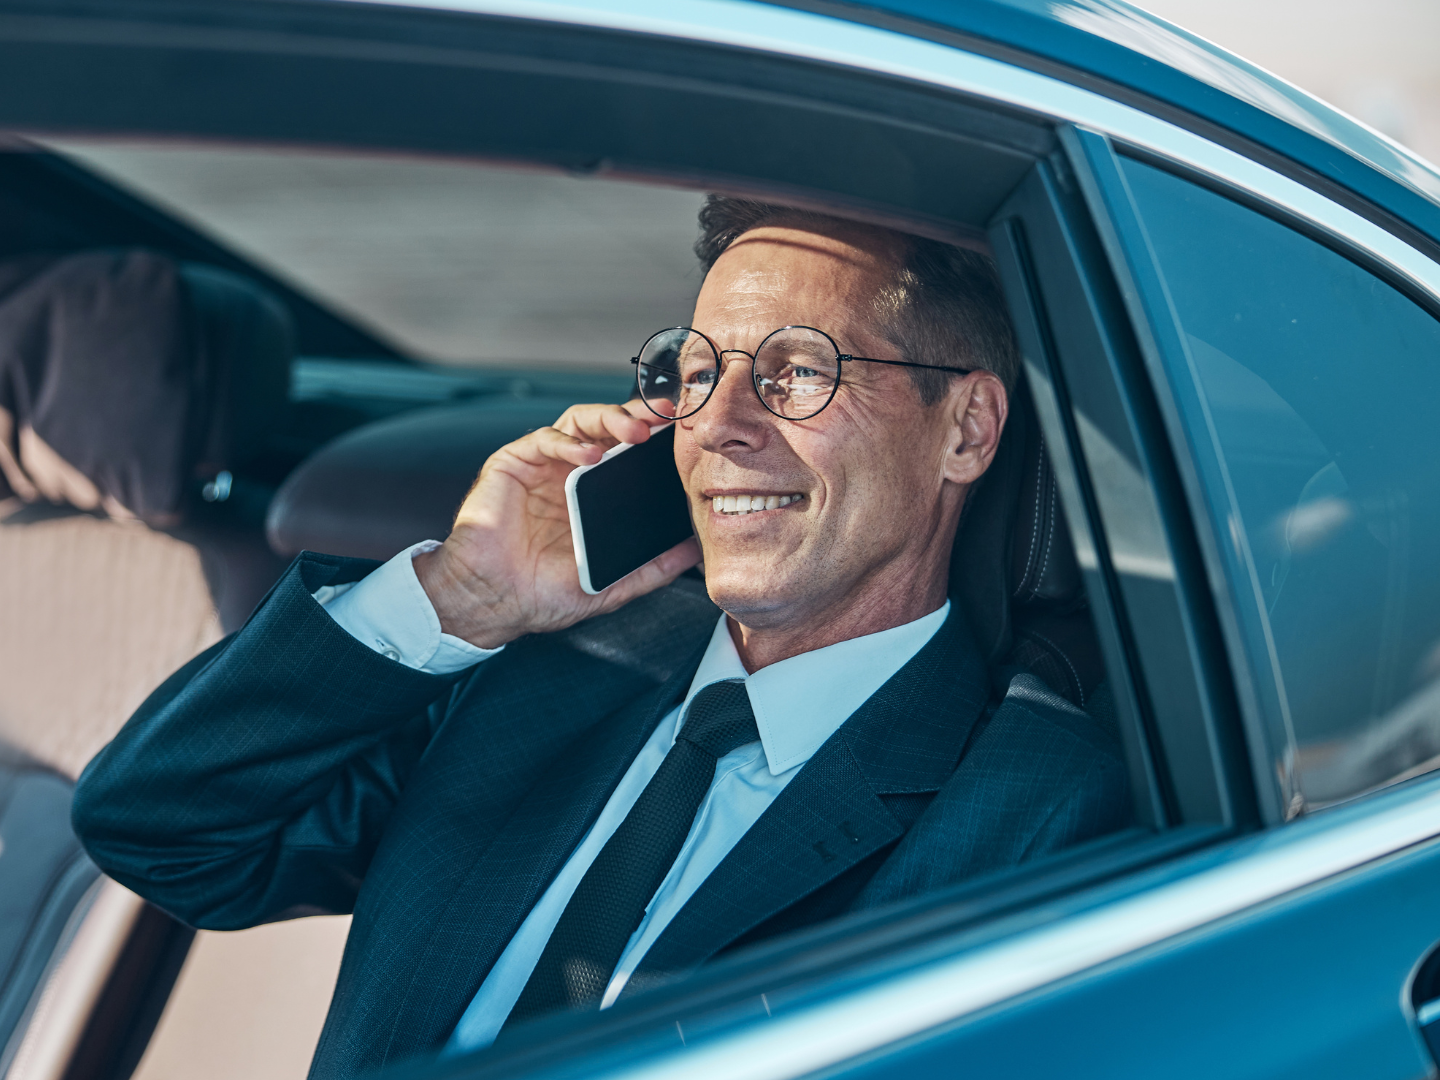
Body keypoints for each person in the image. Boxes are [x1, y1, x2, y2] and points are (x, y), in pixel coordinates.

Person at [72, 196, 1131, 1079]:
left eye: (798, 371)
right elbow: (159, 824)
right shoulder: (549, 675)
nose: (719, 423)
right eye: (698, 369)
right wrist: (459, 599)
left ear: (967, 430)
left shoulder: (1032, 809)